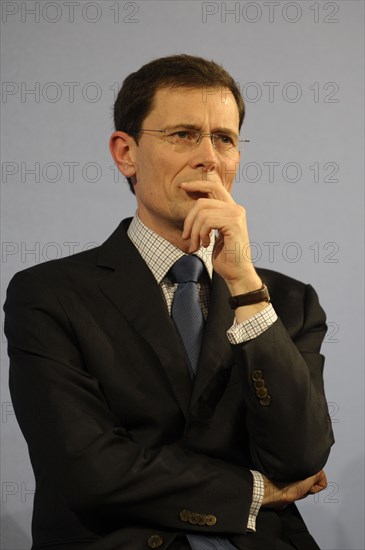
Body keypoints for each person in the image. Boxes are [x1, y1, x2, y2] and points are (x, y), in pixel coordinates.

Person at [4, 54, 334, 550]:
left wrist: (244, 283)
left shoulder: (286, 301)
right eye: (183, 135)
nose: (209, 157)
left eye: (223, 138)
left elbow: (301, 457)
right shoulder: (48, 294)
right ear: (126, 153)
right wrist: (251, 490)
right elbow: (89, 469)